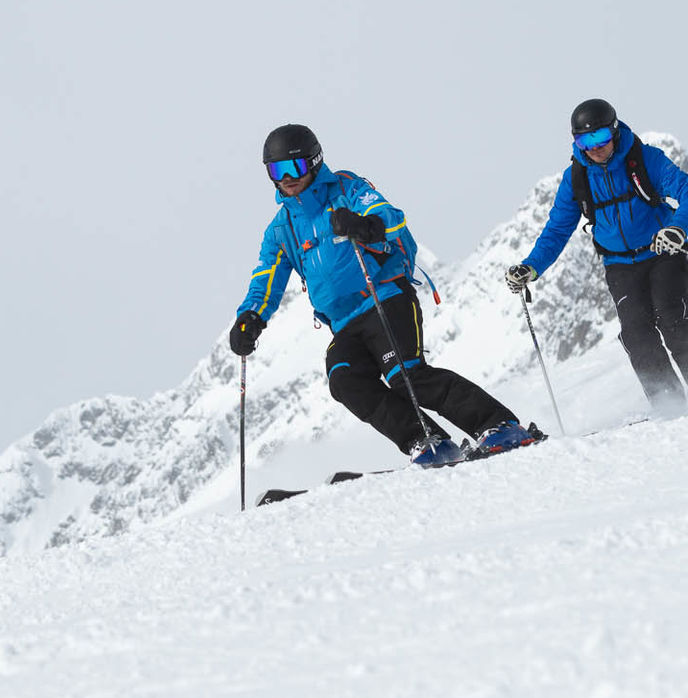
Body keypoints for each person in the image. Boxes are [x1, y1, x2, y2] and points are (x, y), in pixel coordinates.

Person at [228, 124, 538, 465]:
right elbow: (266, 278)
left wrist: (364, 226)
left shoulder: (346, 188)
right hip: (343, 323)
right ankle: (426, 440)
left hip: (385, 297)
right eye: (277, 171)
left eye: (294, 167)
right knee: (344, 379)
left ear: (314, 162)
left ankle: (499, 425)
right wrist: (251, 316)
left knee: (407, 376)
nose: (286, 178)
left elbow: (390, 217)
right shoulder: (281, 229)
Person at [505, 99, 688, 414]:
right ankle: (669, 403)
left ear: (614, 131)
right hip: (620, 265)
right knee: (636, 333)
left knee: (670, 317)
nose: (594, 148)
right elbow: (557, 231)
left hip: (663, 251)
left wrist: (677, 230)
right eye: (585, 141)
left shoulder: (646, 159)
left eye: (600, 138)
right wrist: (531, 268)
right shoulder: (576, 179)